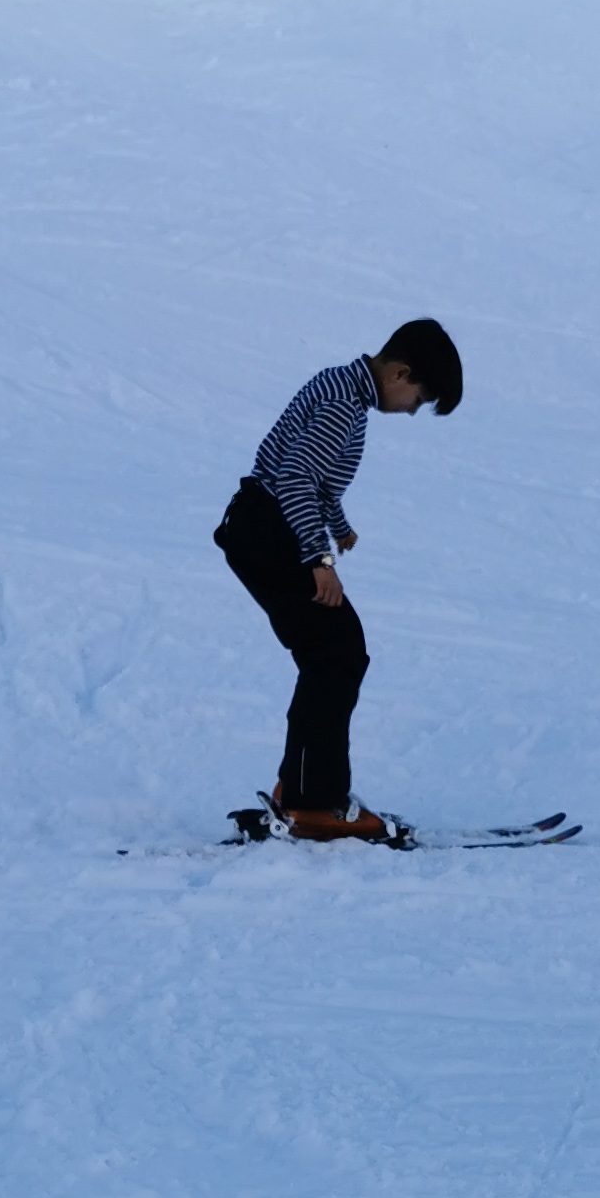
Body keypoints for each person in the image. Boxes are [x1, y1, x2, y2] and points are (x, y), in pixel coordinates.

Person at [214, 320, 464, 841]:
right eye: (419, 399)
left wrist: (339, 526)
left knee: (332, 651)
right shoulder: (343, 405)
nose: (413, 410)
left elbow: (314, 480)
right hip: (268, 530)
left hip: (261, 524)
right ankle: (314, 802)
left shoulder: (344, 387)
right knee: (336, 651)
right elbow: (295, 478)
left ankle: (302, 790)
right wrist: (319, 560)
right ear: (400, 373)